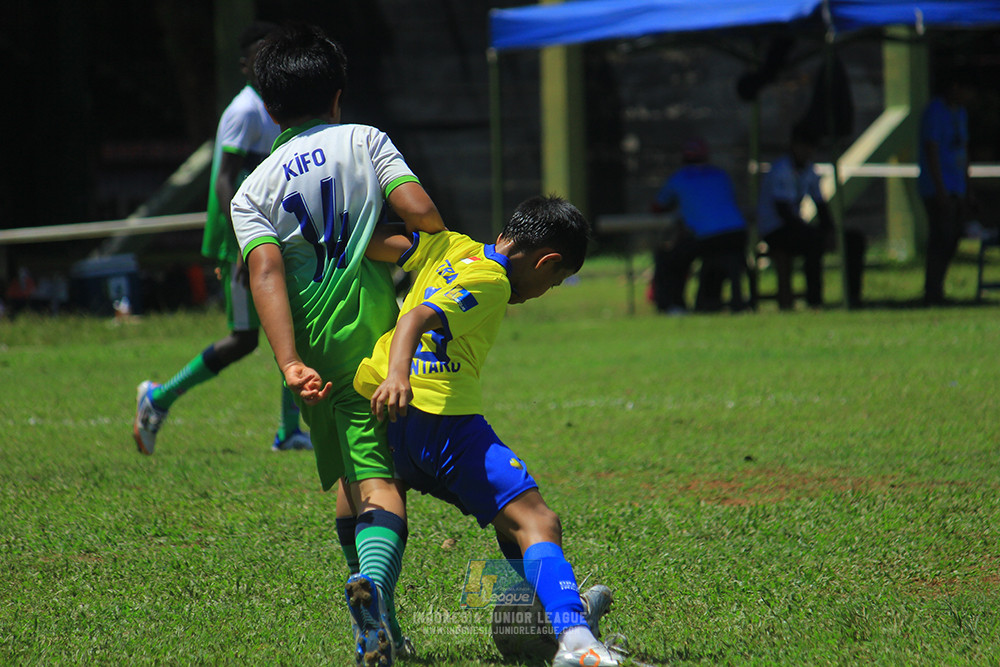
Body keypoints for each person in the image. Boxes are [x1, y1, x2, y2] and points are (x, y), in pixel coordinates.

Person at [231, 23, 446, 667]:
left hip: (314, 358)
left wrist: (289, 361)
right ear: (338, 96)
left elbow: (265, 273)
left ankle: (381, 633)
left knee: (349, 485)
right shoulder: (366, 140)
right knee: (383, 486)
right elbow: (417, 208)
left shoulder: (253, 190)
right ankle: (375, 590)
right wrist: (422, 245)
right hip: (373, 345)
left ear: (270, 109)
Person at [354, 196, 626, 667]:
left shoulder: (451, 247)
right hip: (442, 418)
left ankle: (544, 617)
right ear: (548, 261)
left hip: (397, 427)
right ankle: (576, 641)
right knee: (538, 521)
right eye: (555, 281)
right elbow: (417, 319)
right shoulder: (493, 281)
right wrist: (400, 375)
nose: (546, 289)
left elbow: (372, 241)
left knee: (512, 521)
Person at [133, 22, 312, 454]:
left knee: (285, 330)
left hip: (268, 236)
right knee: (245, 339)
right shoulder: (244, 111)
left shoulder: (273, 107)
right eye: (262, 54)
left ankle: (289, 432)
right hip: (247, 242)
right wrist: (241, 246)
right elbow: (224, 180)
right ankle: (158, 398)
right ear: (246, 64)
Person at [651, 137, 749, 313]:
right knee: (718, 260)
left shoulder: (679, 178)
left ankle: (673, 304)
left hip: (708, 237)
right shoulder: (721, 174)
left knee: (668, 258)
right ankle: (711, 301)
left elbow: (657, 206)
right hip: (738, 234)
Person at [756, 126, 836, 310]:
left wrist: (830, 230)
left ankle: (819, 299)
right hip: (774, 228)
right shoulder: (781, 170)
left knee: (824, 240)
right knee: (813, 242)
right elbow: (783, 211)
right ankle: (812, 300)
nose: (808, 152)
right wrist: (813, 232)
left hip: (792, 227)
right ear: (794, 146)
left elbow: (821, 204)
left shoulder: (809, 170)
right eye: (805, 147)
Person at [918, 72, 974, 306]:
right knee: (940, 238)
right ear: (954, 86)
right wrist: (939, 189)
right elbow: (932, 151)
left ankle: (937, 290)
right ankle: (932, 292)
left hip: (956, 187)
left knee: (952, 238)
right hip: (937, 188)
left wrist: (967, 189)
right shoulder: (935, 111)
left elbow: (964, 151)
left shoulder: (960, 113)